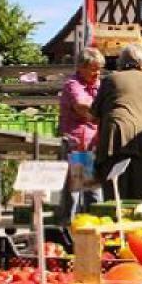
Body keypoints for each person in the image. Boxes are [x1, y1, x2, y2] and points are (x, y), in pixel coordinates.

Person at [92, 44, 142, 201]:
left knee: (115, 197)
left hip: (116, 140)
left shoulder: (111, 79)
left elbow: (94, 114)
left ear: (121, 62)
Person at [58, 47, 104, 220]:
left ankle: (95, 229)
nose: (97, 73)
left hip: (93, 145)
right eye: (93, 69)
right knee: (74, 193)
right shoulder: (73, 85)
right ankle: (68, 229)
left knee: (94, 193)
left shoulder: (98, 85)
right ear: (81, 68)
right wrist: (103, 111)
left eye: (99, 69)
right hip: (77, 145)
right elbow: (83, 107)